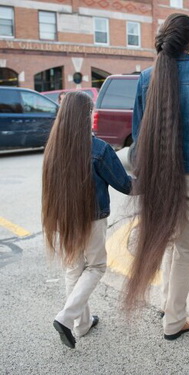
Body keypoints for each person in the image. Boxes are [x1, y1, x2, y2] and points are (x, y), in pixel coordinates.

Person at [126, 13, 189, 340]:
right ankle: (174, 320)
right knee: (185, 249)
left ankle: (168, 305)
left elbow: (138, 135)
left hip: (159, 177)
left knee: (168, 243)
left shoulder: (146, 77)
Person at [42, 91, 132, 349]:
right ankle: (66, 317)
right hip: (92, 218)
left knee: (73, 268)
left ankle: (81, 325)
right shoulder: (99, 149)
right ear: (85, 115)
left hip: (61, 217)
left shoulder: (53, 145)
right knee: (95, 267)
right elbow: (125, 185)